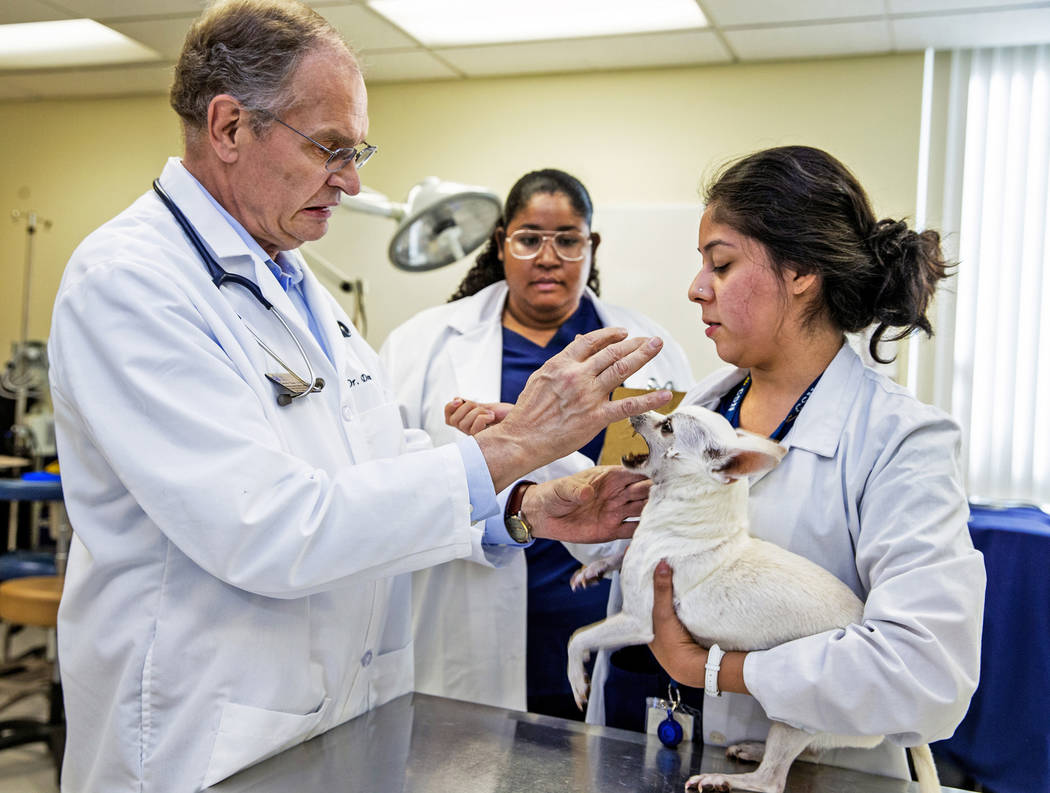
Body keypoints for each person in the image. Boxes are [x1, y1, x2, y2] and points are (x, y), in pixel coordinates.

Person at [45, 3, 674, 791]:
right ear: (230, 127)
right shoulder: (132, 282)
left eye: (356, 150)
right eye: (331, 149)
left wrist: (525, 507)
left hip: (334, 722)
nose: (352, 180)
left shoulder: (292, 277)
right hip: (202, 740)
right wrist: (512, 446)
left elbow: (374, 461)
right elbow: (266, 524)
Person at [641, 145, 985, 779]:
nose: (695, 289)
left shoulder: (899, 439)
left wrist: (716, 671)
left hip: (834, 774)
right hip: (683, 756)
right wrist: (538, 467)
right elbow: (655, 563)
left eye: (721, 264)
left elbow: (929, 672)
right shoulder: (703, 410)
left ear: (800, 272)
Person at [380, 169, 693, 718]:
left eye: (568, 240)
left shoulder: (649, 352)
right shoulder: (420, 345)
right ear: (502, 244)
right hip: (467, 619)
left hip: (606, 615)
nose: (548, 257)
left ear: (591, 247)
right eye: (529, 239)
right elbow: (391, 483)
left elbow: (670, 493)